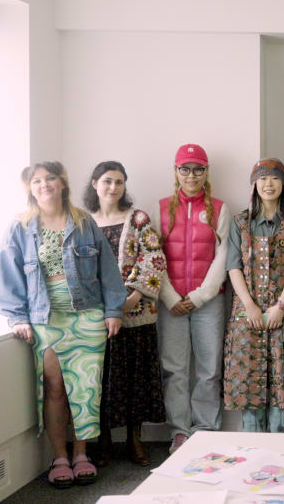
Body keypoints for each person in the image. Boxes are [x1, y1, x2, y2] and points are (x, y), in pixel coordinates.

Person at [0, 161, 125, 488]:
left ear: (62, 183)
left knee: (86, 388)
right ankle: (60, 456)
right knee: (54, 387)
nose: (44, 185)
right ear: (30, 188)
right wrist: (18, 317)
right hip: (47, 320)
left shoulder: (83, 222)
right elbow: (6, 278)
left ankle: (81, 454)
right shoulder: (20, 227)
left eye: (50, 178)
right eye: (36, 181)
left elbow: (108, 270)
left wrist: (114, 311)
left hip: (89, 316)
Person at [83, 161, 166, 467]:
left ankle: (135, 440)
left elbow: (154, 257)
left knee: (136, 380)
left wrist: (133, 296)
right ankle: (103, 441)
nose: (113, 187)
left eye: (119, 182)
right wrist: (106, 305)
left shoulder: (139, 219)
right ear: (95, 184)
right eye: (107, 181)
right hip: (97, 318)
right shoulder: (83, 222)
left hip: (137, 314)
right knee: (103, 381)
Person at [223, 158, 284, 433]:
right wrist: (249, 306)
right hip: (247, 309)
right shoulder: (240, 222)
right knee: (248, 376)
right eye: (262, 179)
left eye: (274, 178)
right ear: (254, 184)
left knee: (283, 377)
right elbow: (233, 265)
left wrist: (281, 306)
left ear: (283, 184)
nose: (268, 184)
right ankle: (252, 445)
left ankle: (282, 443)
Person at [158, 144, 230, 453]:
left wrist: (200, 296)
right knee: (174, 369)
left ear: (206, 172)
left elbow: (224, 255)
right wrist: (170, 296)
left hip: (208, 302)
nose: (192, 175)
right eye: (185, 169)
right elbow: (154, 257)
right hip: (170, 302)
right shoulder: (160, 207)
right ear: (175, 172)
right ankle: (179, 431)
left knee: (209, 367)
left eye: (198, 169)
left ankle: (205, 428)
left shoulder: (219, 208)